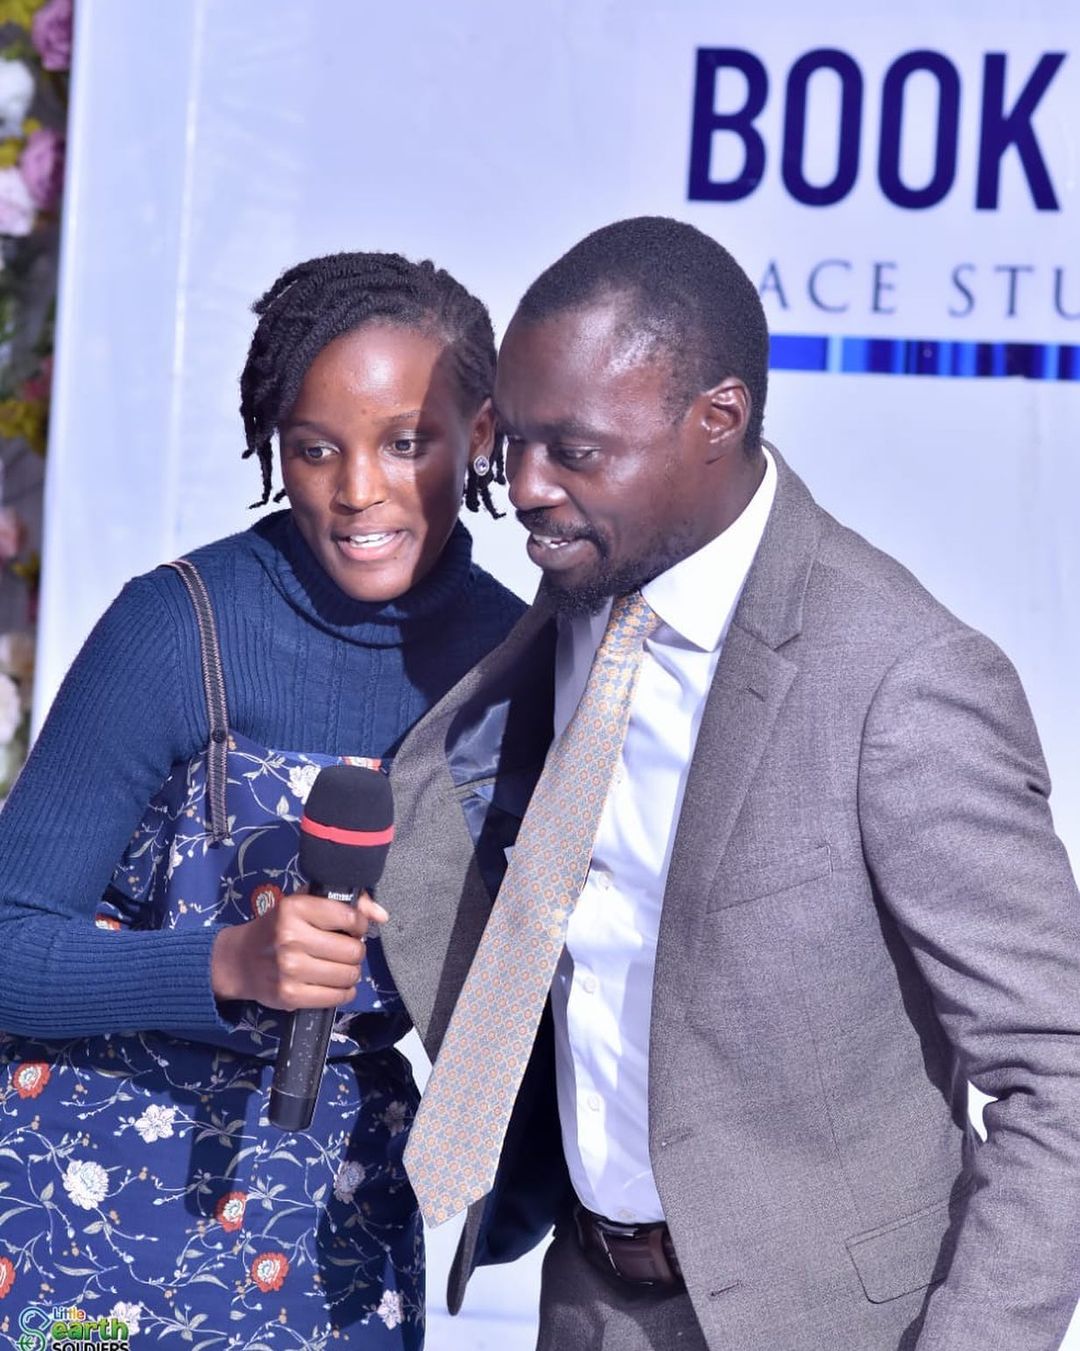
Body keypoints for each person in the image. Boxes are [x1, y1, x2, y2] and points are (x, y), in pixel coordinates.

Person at [377, 217, 1080, 1351]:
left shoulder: (899, 679)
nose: (528, 488)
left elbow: (1061, 1069)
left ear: (718, 419)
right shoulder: (574, 604)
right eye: (515, 441)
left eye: (577, 451)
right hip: (587, 1297)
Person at [0, 251, 524, 1349]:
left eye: (405, 444)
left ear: (480, 434)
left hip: (335, 1238)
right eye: (314, 447)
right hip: (88, 1219)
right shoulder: (174, 627)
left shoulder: (518, 662)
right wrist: (225, 964)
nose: (357, 489)